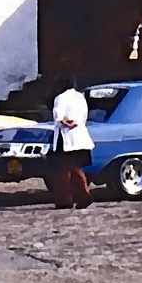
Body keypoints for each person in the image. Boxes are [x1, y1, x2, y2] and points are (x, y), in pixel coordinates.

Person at [48, 77, 95, 209]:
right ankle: (82, 196)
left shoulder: (60, 98)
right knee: (75, 168)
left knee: (63, 170)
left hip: (66, 138)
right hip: (80, 136)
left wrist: (67, 123)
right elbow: (83, 116)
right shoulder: (80, 97)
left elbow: (58, 117)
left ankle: (67, 199)